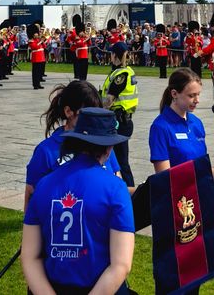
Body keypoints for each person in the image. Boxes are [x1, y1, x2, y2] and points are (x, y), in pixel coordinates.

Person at [22, 107, 135, 295]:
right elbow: (121, 265)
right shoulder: (116, 188)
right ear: (108, 148)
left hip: (52, 287)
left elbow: (29, 256)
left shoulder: (44, 184)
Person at [24, 80, 122, 210]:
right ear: (68, 111)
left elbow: (118, 183)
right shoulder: (46, 151)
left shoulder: (102, 144)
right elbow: (31, 201)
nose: (93, 119)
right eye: (86, 113)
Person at [149, 68, 214, 184]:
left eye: (198, 94)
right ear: (174, 94)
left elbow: (201, 169)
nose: (197, 100)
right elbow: (165, 178)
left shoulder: (196, 123)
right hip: (183, 199)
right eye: (191, 96)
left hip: (201, 193)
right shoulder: (160, 127)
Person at [101, 42, 138, 187]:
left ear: (115, 55)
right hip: (121, 120)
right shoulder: (126, 71)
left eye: (111, 53)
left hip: (119, 122)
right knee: (116, 159)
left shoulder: (121, 75)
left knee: (120, 162)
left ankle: (131, 193)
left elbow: (109, 100)